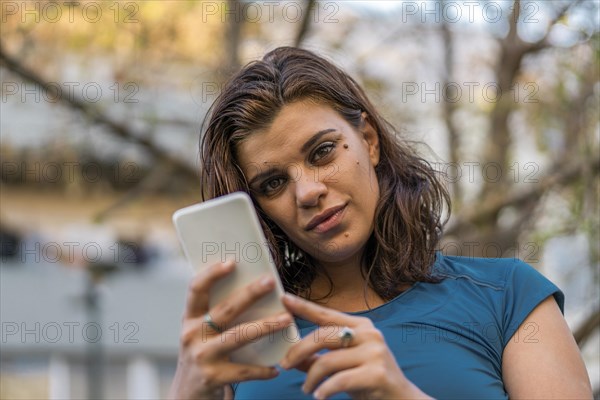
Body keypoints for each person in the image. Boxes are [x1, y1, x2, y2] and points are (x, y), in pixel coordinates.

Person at [169, 47, 592, 399]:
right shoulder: (245, 341)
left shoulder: (509, 298)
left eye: (322, 152)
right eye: (273, 182)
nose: (307, 192)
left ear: (368, 140)